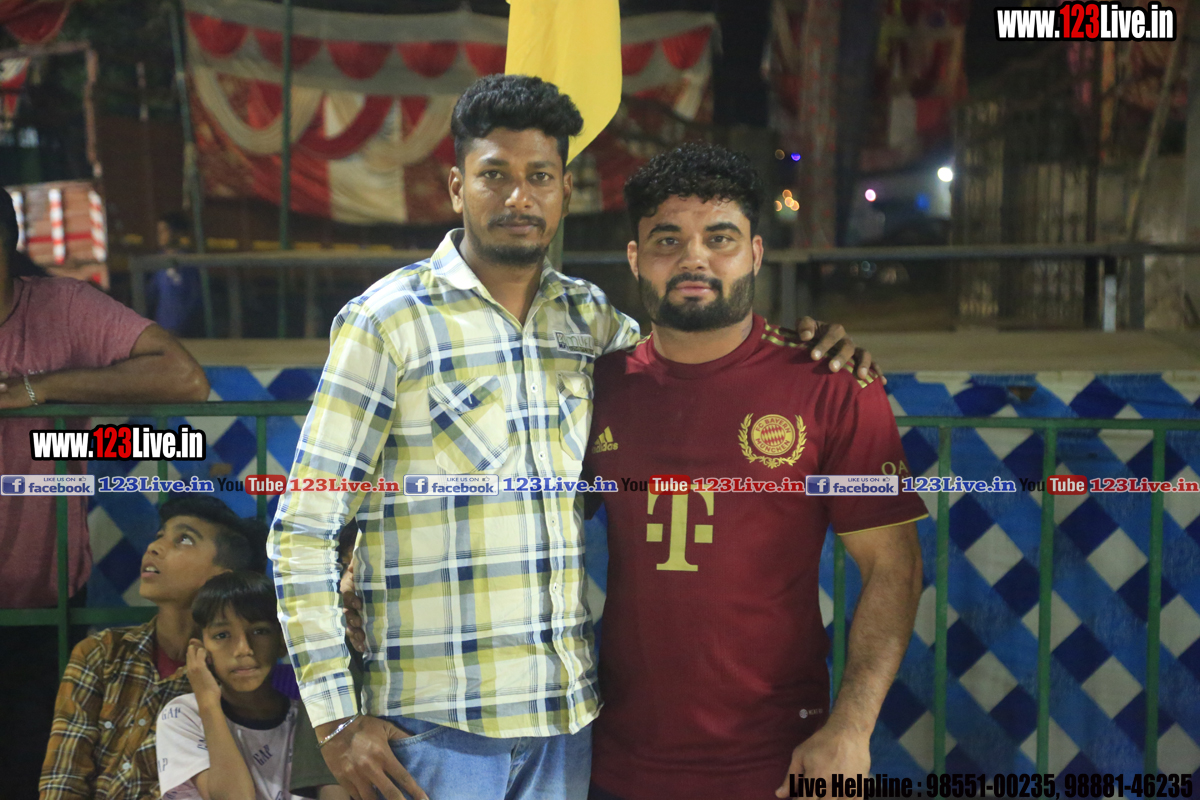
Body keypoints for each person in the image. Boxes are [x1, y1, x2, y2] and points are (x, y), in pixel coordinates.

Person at [269, 74, 875, 800]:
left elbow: (688, 357)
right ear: (457, 186)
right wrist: (335, 720)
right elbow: (303, 527)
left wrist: (807, 349)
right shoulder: (388, 321)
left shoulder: (589, 321)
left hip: (567, 726)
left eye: (539, 177)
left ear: (564, 191)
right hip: (430, 731)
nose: (518, 197)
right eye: (494, 175)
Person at [582, 143, 927, 800]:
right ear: (635, 258)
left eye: (720, 238)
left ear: (756, 253)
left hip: (784, 763)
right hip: (616, 763)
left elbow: (895, 566)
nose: (695, 259)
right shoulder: (593, 388)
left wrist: (851, 729)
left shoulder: (832, 385)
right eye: (667, 240)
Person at [0, 191, 210, 800]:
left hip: (44, 605)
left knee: (34, 769)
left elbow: (186, 379)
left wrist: (40, 389)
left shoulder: (61, 309)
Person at [39, 497, 267, 800]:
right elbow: (63, 781)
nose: (155, 547)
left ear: (221, 578)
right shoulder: (101, 653)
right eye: (160, 535)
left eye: (184, 539)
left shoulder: (235, 674)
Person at [156, 571, 350, 800]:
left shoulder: (312, 719)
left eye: (259, 631)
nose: (243, 649)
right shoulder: (184, 716)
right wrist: (208, 702)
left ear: (282, 642)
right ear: (200, 651)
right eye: (222, 635)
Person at [150, 210, 202, 336]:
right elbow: (152, 293)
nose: (160, 235)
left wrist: (183, 324)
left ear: (177, 233)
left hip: (182, 330)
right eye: (159, 231)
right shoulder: (159, 260)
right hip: (162, 327)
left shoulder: (187, 261)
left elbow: (195, 296)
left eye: (165, 230)